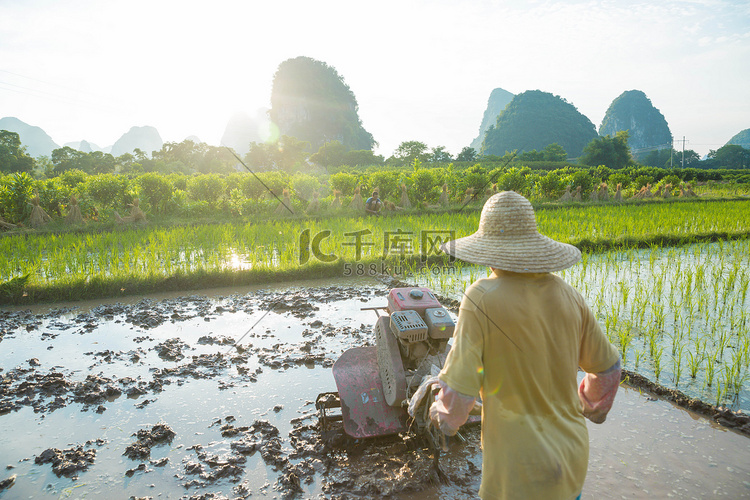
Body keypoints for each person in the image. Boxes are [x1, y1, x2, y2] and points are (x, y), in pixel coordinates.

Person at [430, 190, 621, 500]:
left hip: (517, 470)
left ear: (487, 248)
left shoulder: (481, 297)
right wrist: (589, 407)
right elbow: (609, 369)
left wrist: (442, 418)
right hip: (570, 459)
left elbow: (458, 396)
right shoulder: (569, 296)